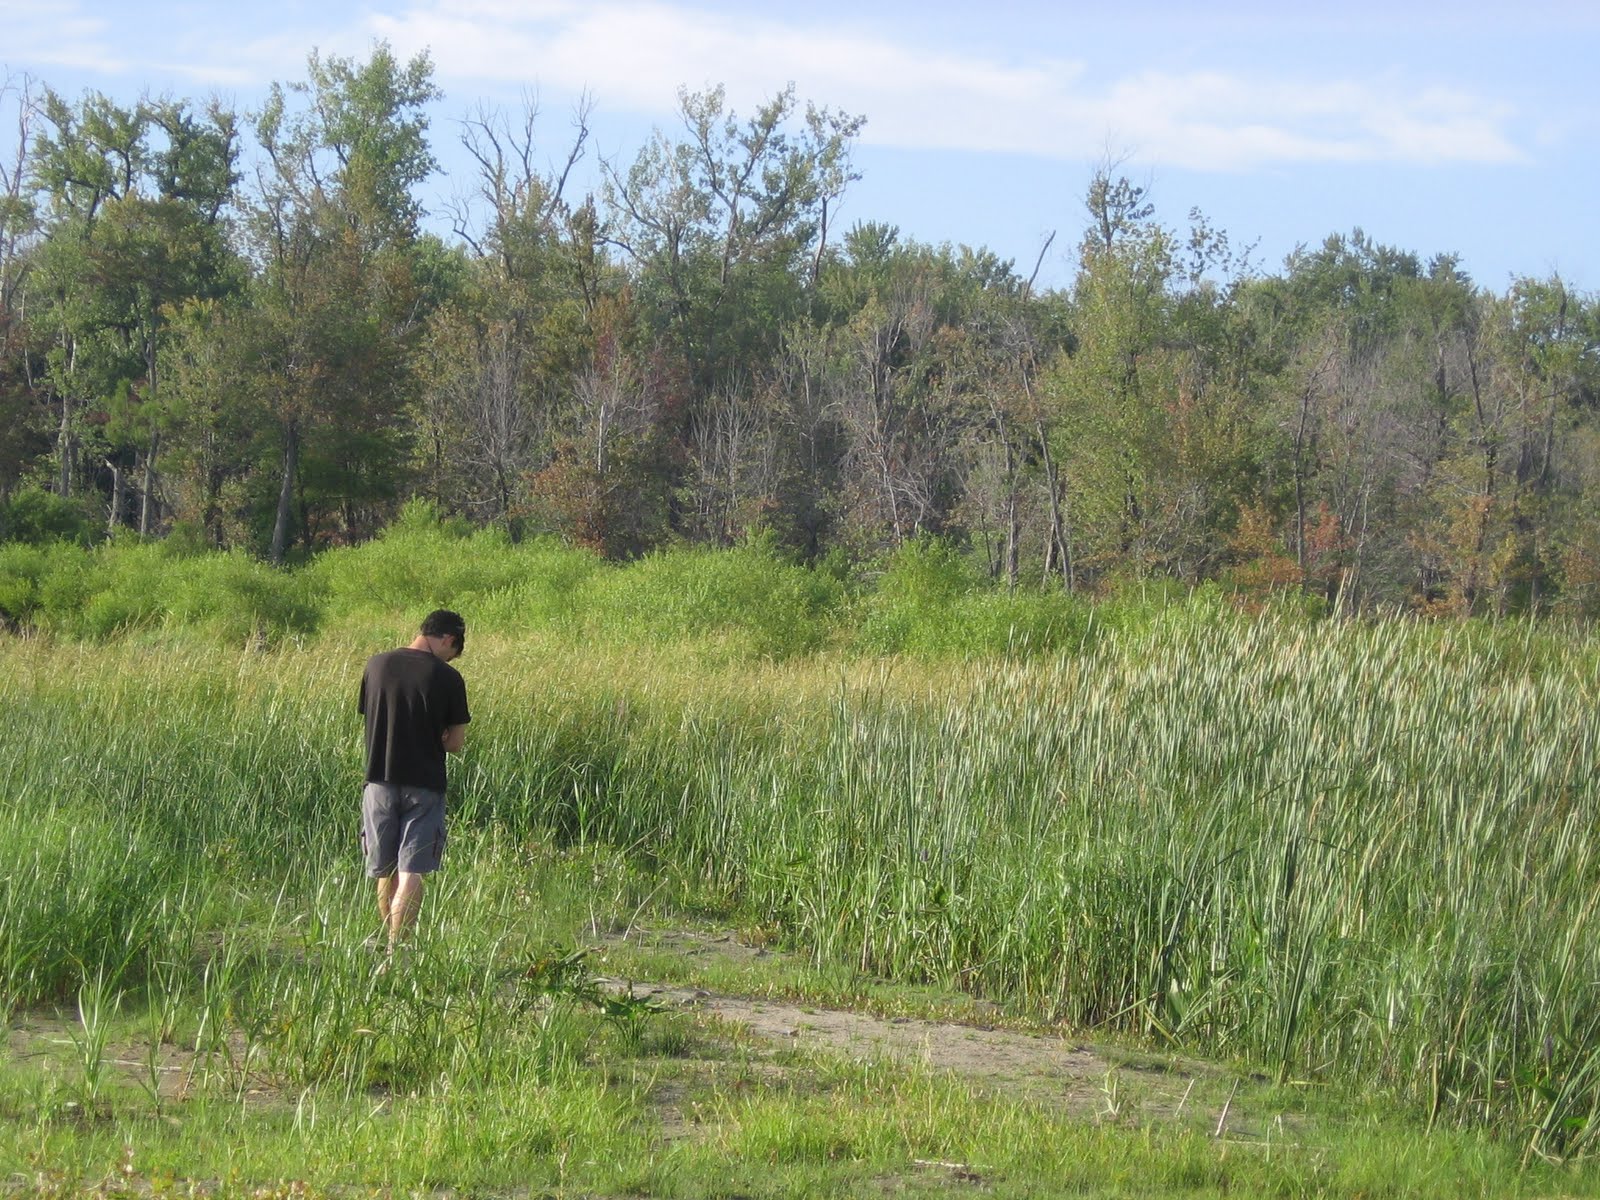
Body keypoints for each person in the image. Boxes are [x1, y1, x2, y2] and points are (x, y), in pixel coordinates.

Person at [357, 609, 471, 951]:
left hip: (378, 780)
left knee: (384, 869)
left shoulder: (376, 665)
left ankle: (383, 940)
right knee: (412, 871)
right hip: (424, 784)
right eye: (453, 651)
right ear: (449, 639)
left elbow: (369, 714)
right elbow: (455, 743)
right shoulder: (449, 679)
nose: (451, 658)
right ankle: (399, 949)